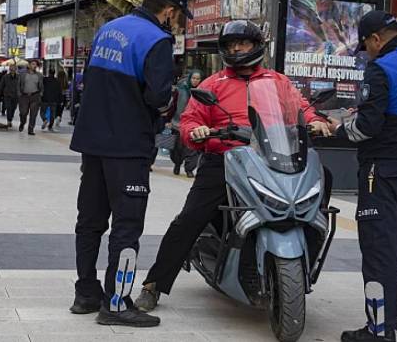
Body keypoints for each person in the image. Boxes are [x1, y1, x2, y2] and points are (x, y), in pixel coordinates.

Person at [134, 20, 332, 314]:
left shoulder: (278, 82)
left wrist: (315, 121)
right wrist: (197, 130)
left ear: (257, 46)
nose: (236, 48)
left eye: (243, 43)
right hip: (225, 160)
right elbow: (190, 120)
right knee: (189, 219)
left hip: (272, 158)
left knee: (322, 184)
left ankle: (301, 259)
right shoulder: (213, 84)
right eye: (230, 45)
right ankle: (153, 285)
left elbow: (301, 107)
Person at [68, 0, 192, 327]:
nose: (178, 23)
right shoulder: (157, 40)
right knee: (126, 226)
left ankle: (86, 294)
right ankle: (118, 303)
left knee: (89, 221)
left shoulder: (109, 30)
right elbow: (158, 97)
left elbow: (89, 82)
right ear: (169, 11)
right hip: (127, 146)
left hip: (92, 142)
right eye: (180, 16)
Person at [330, 11, 397, 342]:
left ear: (375, 38)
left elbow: (366, 128)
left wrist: (336, 128)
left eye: (367, 46)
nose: (368, 52)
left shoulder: (381, 69)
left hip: (382, 171)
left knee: (379, 249)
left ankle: (379, 330)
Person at [170, 70, 202, 178]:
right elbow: (173, 105)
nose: (195, 81)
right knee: (177, 147)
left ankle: (189, 169)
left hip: (195, 123)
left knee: (192, 149)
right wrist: (168, 120)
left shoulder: (202, 91)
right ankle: (177, 164)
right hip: (178, 122)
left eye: (198, 79)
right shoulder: (180, 89)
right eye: (194, 78)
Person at [19, 60, 44, 135]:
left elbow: (41, 86)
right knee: (23, 113)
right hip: (24, 96)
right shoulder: (22, 74)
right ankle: (22, 123)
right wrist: (19, 94)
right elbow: (18, 85)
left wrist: (41, 94)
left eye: (36, 65)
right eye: (33, 64)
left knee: (33, 114)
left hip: (35, 96)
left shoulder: (39, 75)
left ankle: (31, 129)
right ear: (29, 65)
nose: (34, 66)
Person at [0, 64, 19, 128]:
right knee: (8, 108)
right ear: (9, 70)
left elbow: (21, 86)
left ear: (16, 70)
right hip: (7, 95)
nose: (12, 70)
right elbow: (1, 86)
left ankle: (10, 118)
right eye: (11, 69)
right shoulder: (5, 77)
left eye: (14, 69)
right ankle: (9, 121)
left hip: (15, 96)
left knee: (13, 108)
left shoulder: (19, 77)